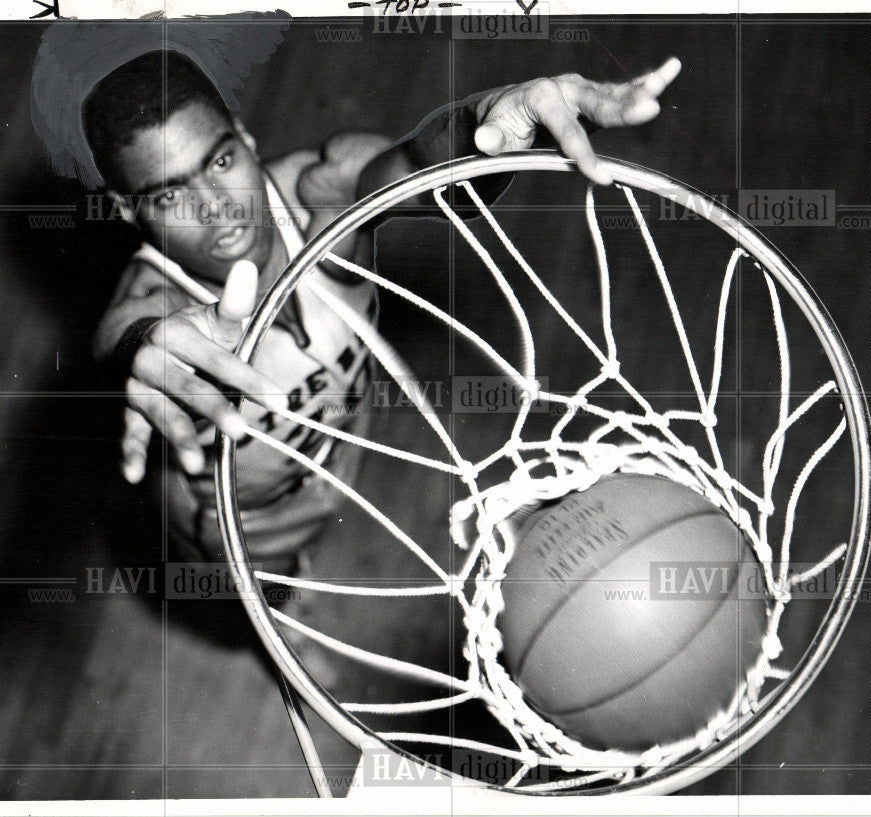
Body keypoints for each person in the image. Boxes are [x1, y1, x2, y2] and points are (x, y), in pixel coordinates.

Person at [76, 46, 681, 575]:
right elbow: (126, 339)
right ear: (129, 211)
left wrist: (493, 124)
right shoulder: (160, 301)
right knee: (266, 602)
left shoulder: (322, 196)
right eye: (169, 194)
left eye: (221, 161)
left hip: (339, 447)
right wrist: (137, 351)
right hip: (242, 515)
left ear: (244, 135)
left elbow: (425, 168)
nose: (215, 209)